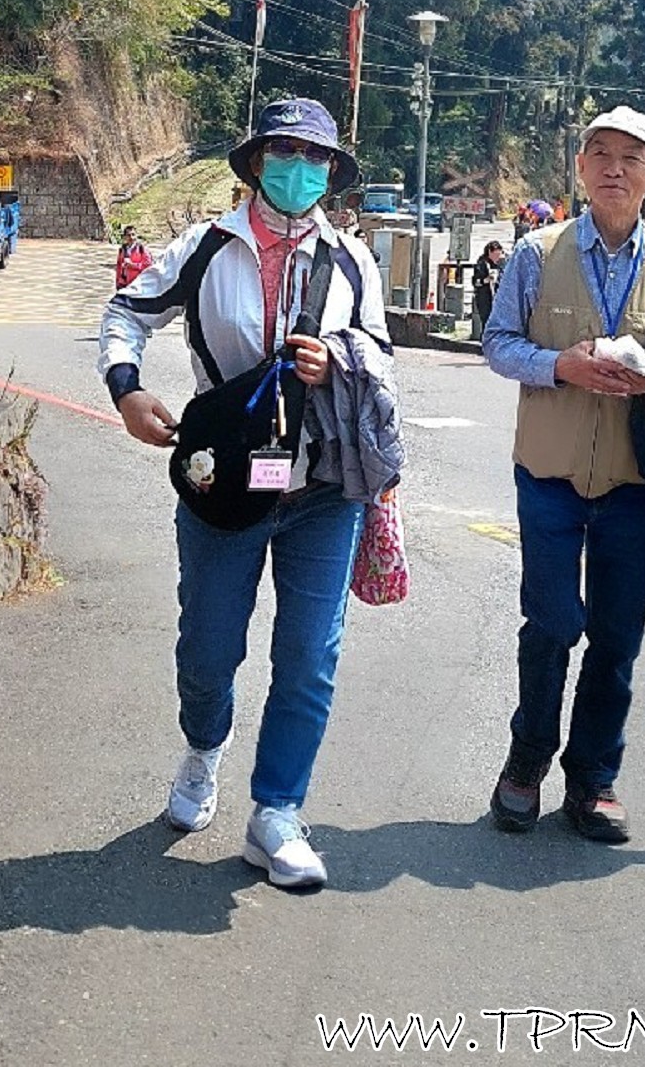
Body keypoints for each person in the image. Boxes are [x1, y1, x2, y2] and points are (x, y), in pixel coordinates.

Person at [98, 98, 400, 891]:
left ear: (332, 173)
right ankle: (205, 747)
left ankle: (277, 813)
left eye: (316, 157)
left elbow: (382, 353)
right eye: (284, 152)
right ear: (257, 160)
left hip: (323, 486)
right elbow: (127, 313)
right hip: (222, 486)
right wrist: (127, 390)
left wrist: (340, 362)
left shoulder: (352, 262)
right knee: (207, 647)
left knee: (309, 656)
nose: (299, 169)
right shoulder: (204, 247)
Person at [481, 106, 645, 845]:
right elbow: (497, 343)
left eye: (632, 158)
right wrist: (559, 364)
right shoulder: (536, 251)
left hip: (636, 482)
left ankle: (593, 779)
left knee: (618, 637)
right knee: (553, 623)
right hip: (549, 474)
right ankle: (527, 761)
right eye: (601, 154)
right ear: (580, 168)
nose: (615, 169)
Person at [471, 239, 507, 329]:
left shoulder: (502, 263)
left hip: (498, 297)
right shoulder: (482, 263)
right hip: (485, 297)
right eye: (495, 255)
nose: (497, 257)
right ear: (489, 252)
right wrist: (486, 280)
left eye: (499, 254)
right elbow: (475, 282)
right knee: (486, 322)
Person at [114, 224, 153, 290]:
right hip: (124, 284)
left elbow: (148, 266)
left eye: (133, 234)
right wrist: (118, 283)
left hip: (137, 284)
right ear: (125, 237)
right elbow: (119, 267)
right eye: (129, 235)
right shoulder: (122, 250)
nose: (131, 237)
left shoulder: (142, 249)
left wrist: (133, 265)